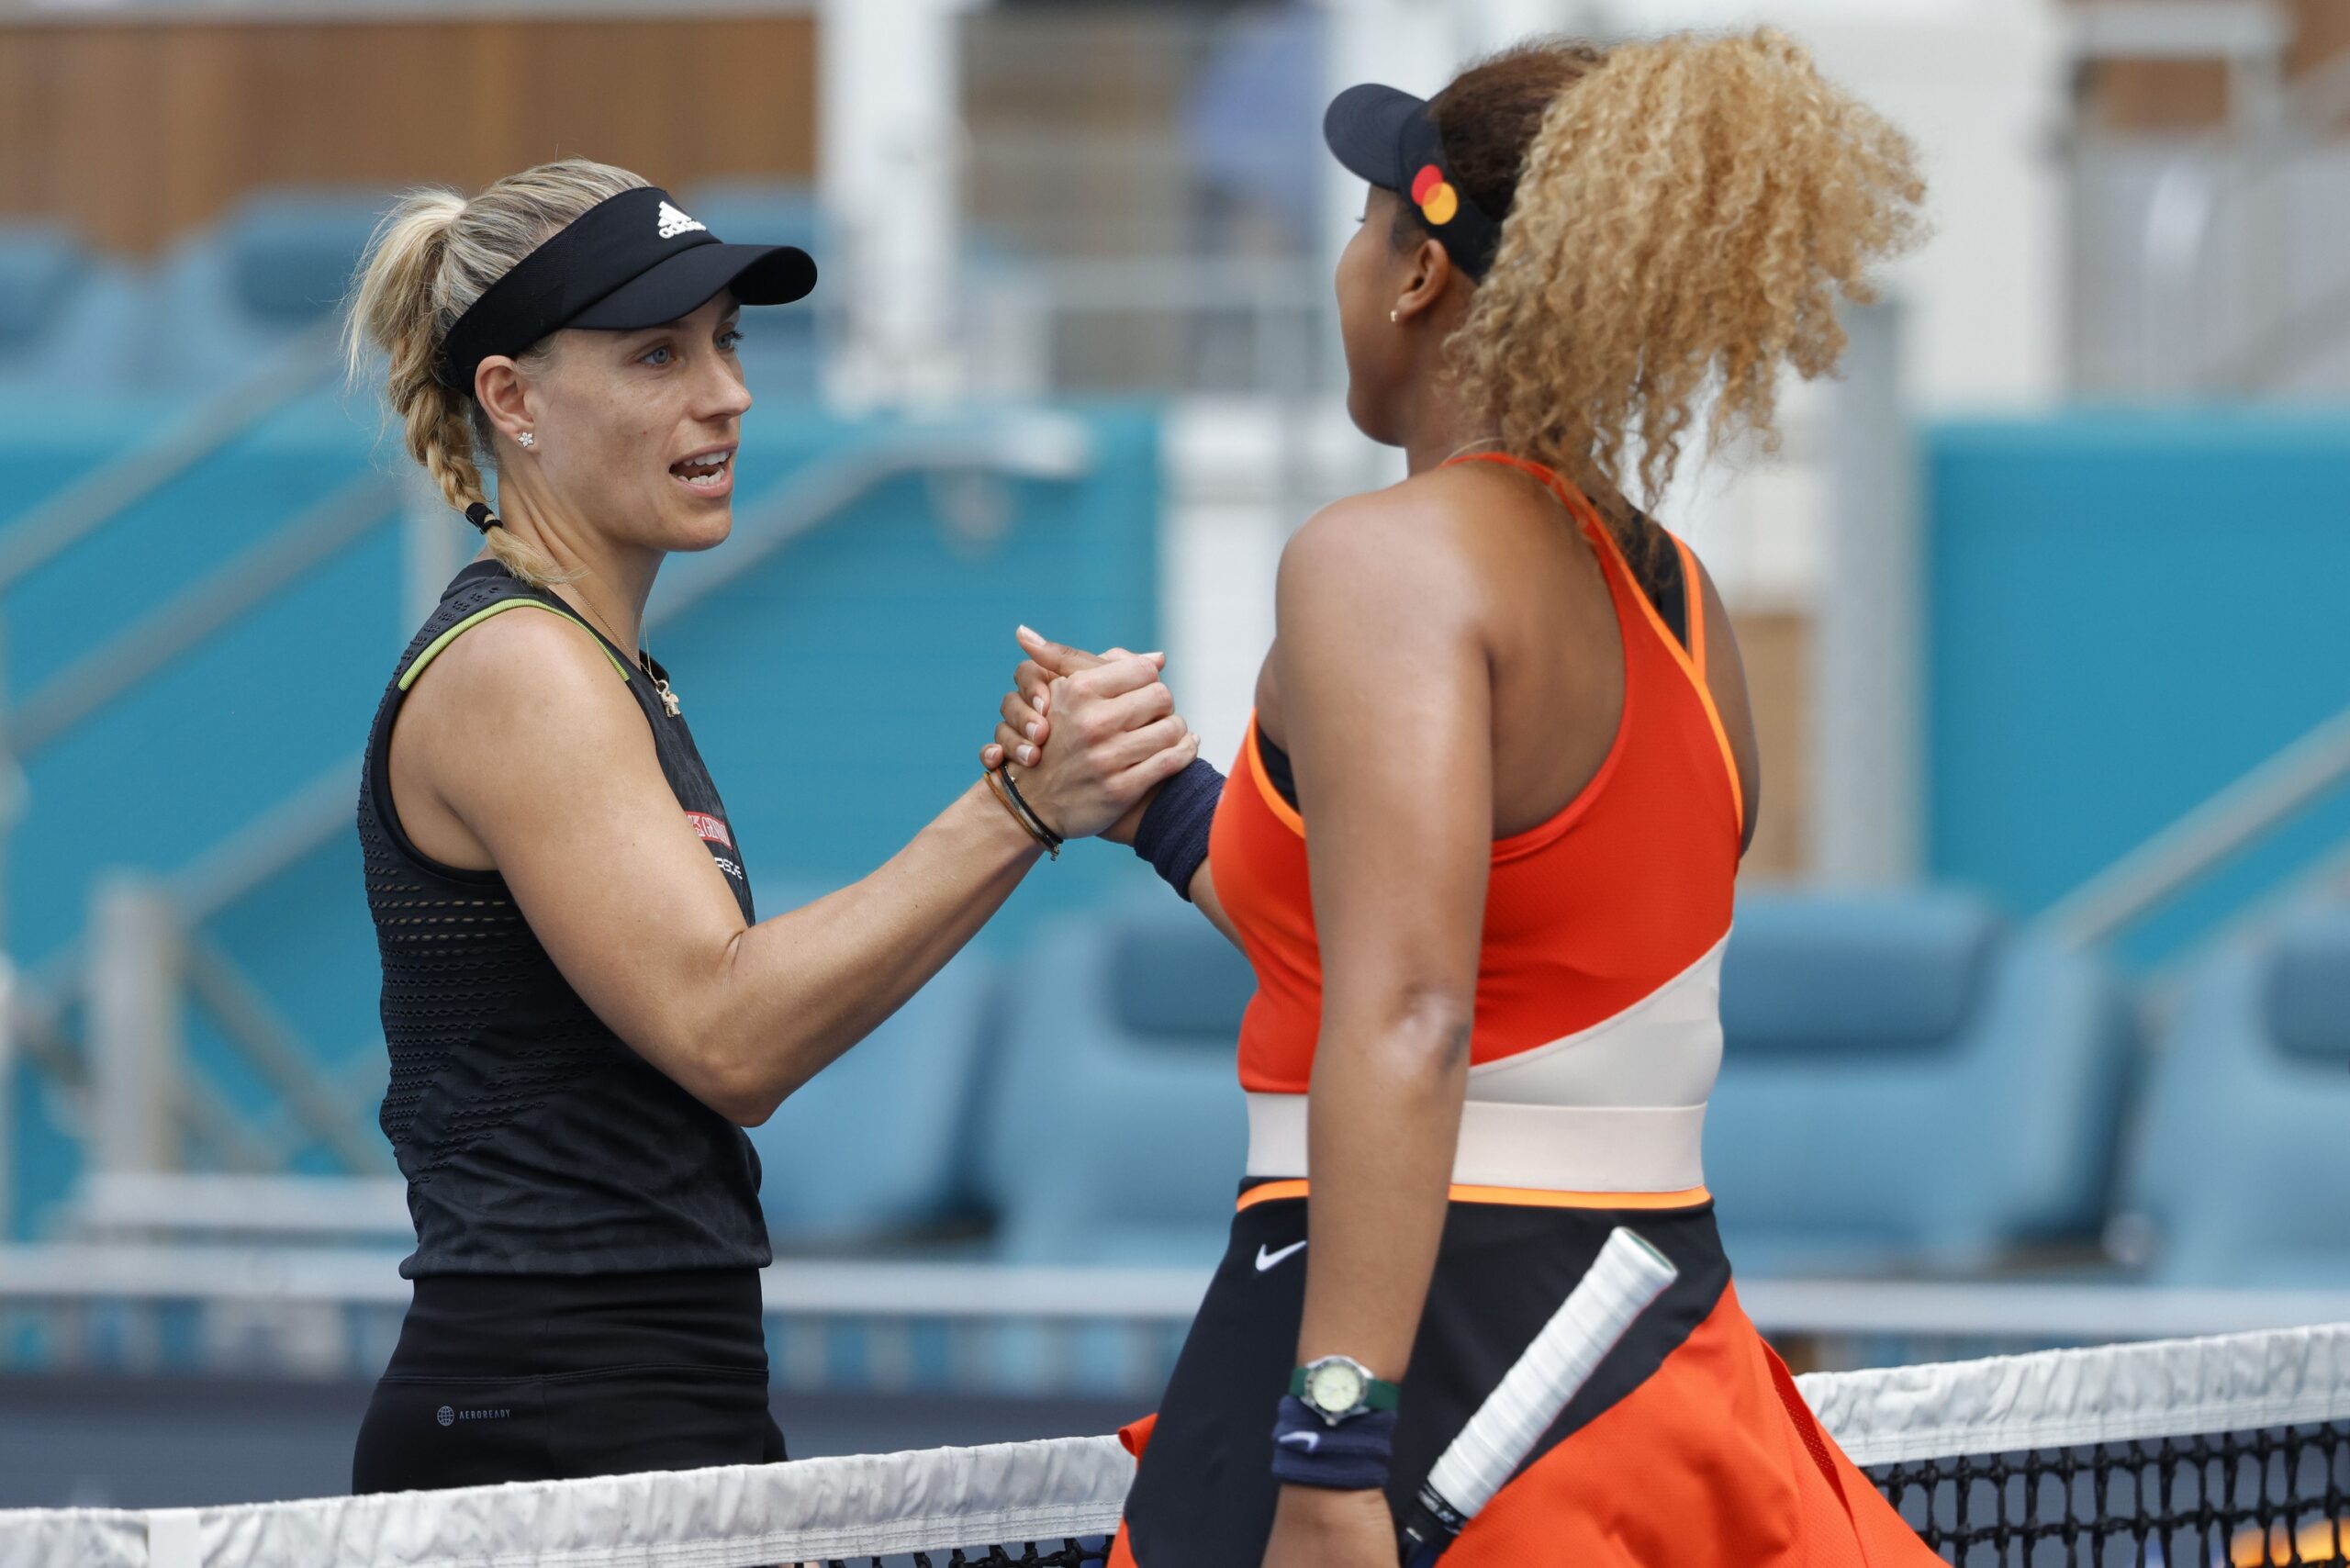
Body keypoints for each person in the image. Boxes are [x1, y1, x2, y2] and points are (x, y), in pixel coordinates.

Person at [988, 30, 1938, 1567]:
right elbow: (1486, 975)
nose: (1348, 269)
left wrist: (1333, 1452)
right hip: (1653, 1364)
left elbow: (1413, 1012)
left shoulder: (1382, 561)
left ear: (1420, 273)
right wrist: (1159, 804)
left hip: (1422, 1378)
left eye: (1366, 229)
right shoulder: (1684, 608)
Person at [341, 159, 1200, 1493]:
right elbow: (727, 1034)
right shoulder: (520, 672)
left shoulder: (598, 667)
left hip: (645, 1400)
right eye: (656, 355)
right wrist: (1022, 807)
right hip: (549, 1428)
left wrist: (1026, 803)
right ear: (510, 399)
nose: (728, 392)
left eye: (728, 344)